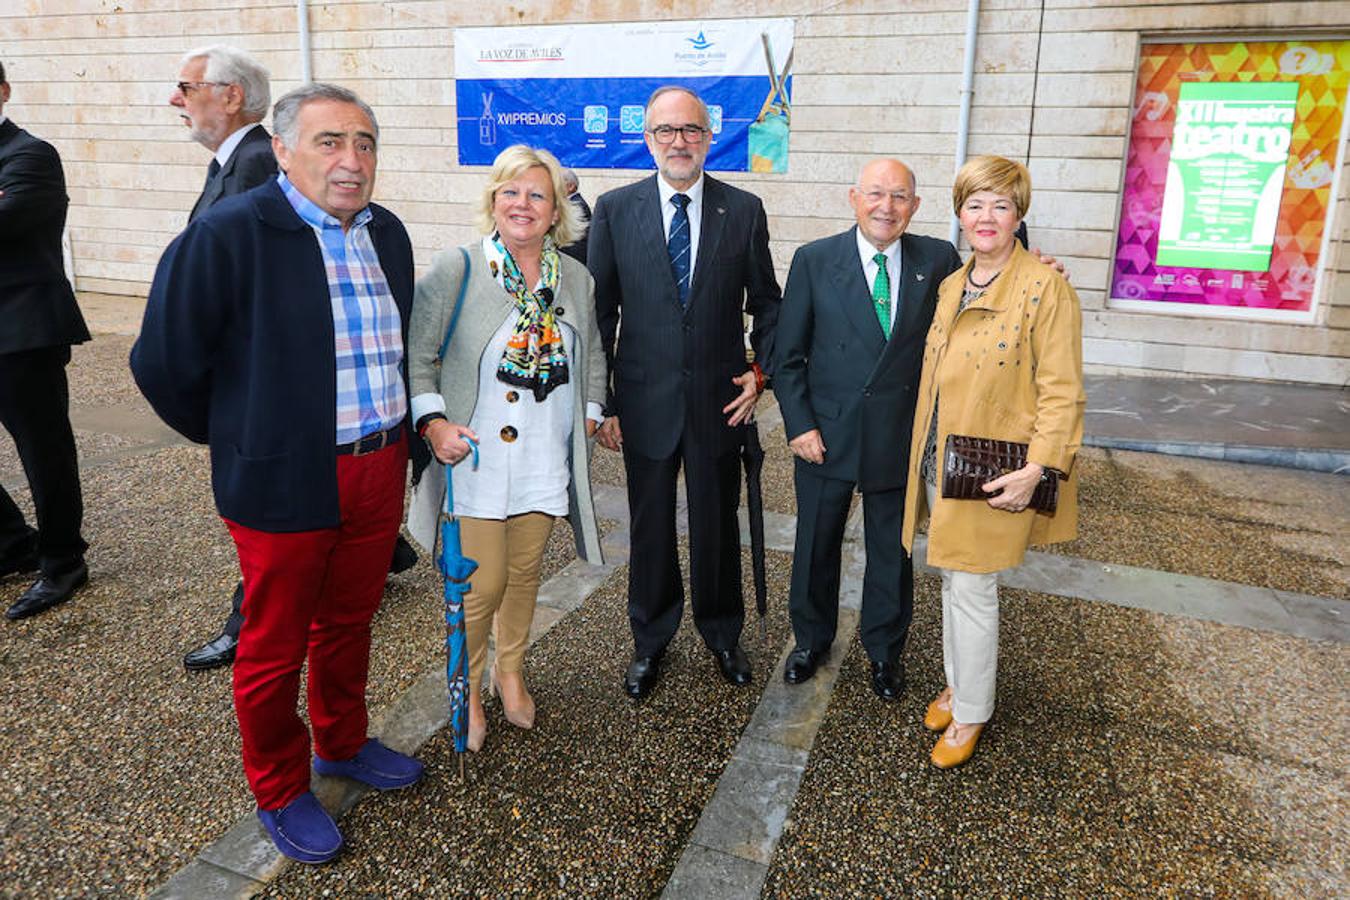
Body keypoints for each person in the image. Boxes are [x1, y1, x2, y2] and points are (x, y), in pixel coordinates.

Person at [131, 83, 423, 863]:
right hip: (282, 477)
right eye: (330, 142)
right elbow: (162, 362)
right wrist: (240, 436)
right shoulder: (228, 234)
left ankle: (342, 743)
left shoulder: (385, 233)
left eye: (364, 144)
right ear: (284, 149)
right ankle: (280, 787)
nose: (351, 160)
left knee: (350, 621)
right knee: (273, 644)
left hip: (376, 463)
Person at [406, 145, 606, 751]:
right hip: (476, 459)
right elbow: (418, 361)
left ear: (555, 211)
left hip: (545, 456)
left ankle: (510, 671)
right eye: (511, 192)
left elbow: (593, 352)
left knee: (524, 577)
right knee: (481, 584)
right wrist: (434, 425)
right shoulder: (456, 270)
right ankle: (463, 690)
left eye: (537, 195)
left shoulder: (575, 277)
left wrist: (592, 413)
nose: (523, 204)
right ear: (494, 199)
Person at [588, 85, 781, 698]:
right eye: (666, 131)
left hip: (718, 404)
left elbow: (768, 306)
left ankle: (723, 633)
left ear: (709, 136)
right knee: (649, 528)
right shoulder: (615, 210)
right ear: (648, 139)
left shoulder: (743, 210)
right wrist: (607, 403)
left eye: (691, 131)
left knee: (716, 524)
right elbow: (600, 314)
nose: (679, 142)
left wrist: (760, 375)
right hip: (643, 403)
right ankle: (650, 639)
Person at [901, 156, 1085, 769]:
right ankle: (959, 684)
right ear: (959, 212)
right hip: (939, 461)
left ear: (1019, 215)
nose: (986, 217)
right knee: (955, 581)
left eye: (1000, 205)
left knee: (974, 588)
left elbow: (1062, 390)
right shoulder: (954, 284)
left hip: (997, 469)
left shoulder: (1044, 286)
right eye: (975, 204)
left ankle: (973, 710)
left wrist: (1040, 469)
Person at [773, 158, 961, 699]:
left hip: (898, 434)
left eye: (900, 196)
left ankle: (884, 652)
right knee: (815, 546)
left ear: (916, 206)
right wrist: (799, 425)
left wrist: (1034, 267)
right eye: (876, 194)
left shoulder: (939, 259)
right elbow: (788, 357)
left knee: (891, 551)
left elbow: (978, 305)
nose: (887, 207)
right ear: (853, 197)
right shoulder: (814, 260)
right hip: (825, 435)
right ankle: (810, 641)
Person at [0, 60, 92, 621]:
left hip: (21, 333)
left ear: (4, 90)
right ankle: (13, 542)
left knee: (44, 451)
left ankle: (62, 559)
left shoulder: (30, 154)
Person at [559, 166, 590, 264]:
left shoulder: (576, 205)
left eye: (559, 183)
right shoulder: (572, 202)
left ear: (570, 187)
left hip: (574, 259)